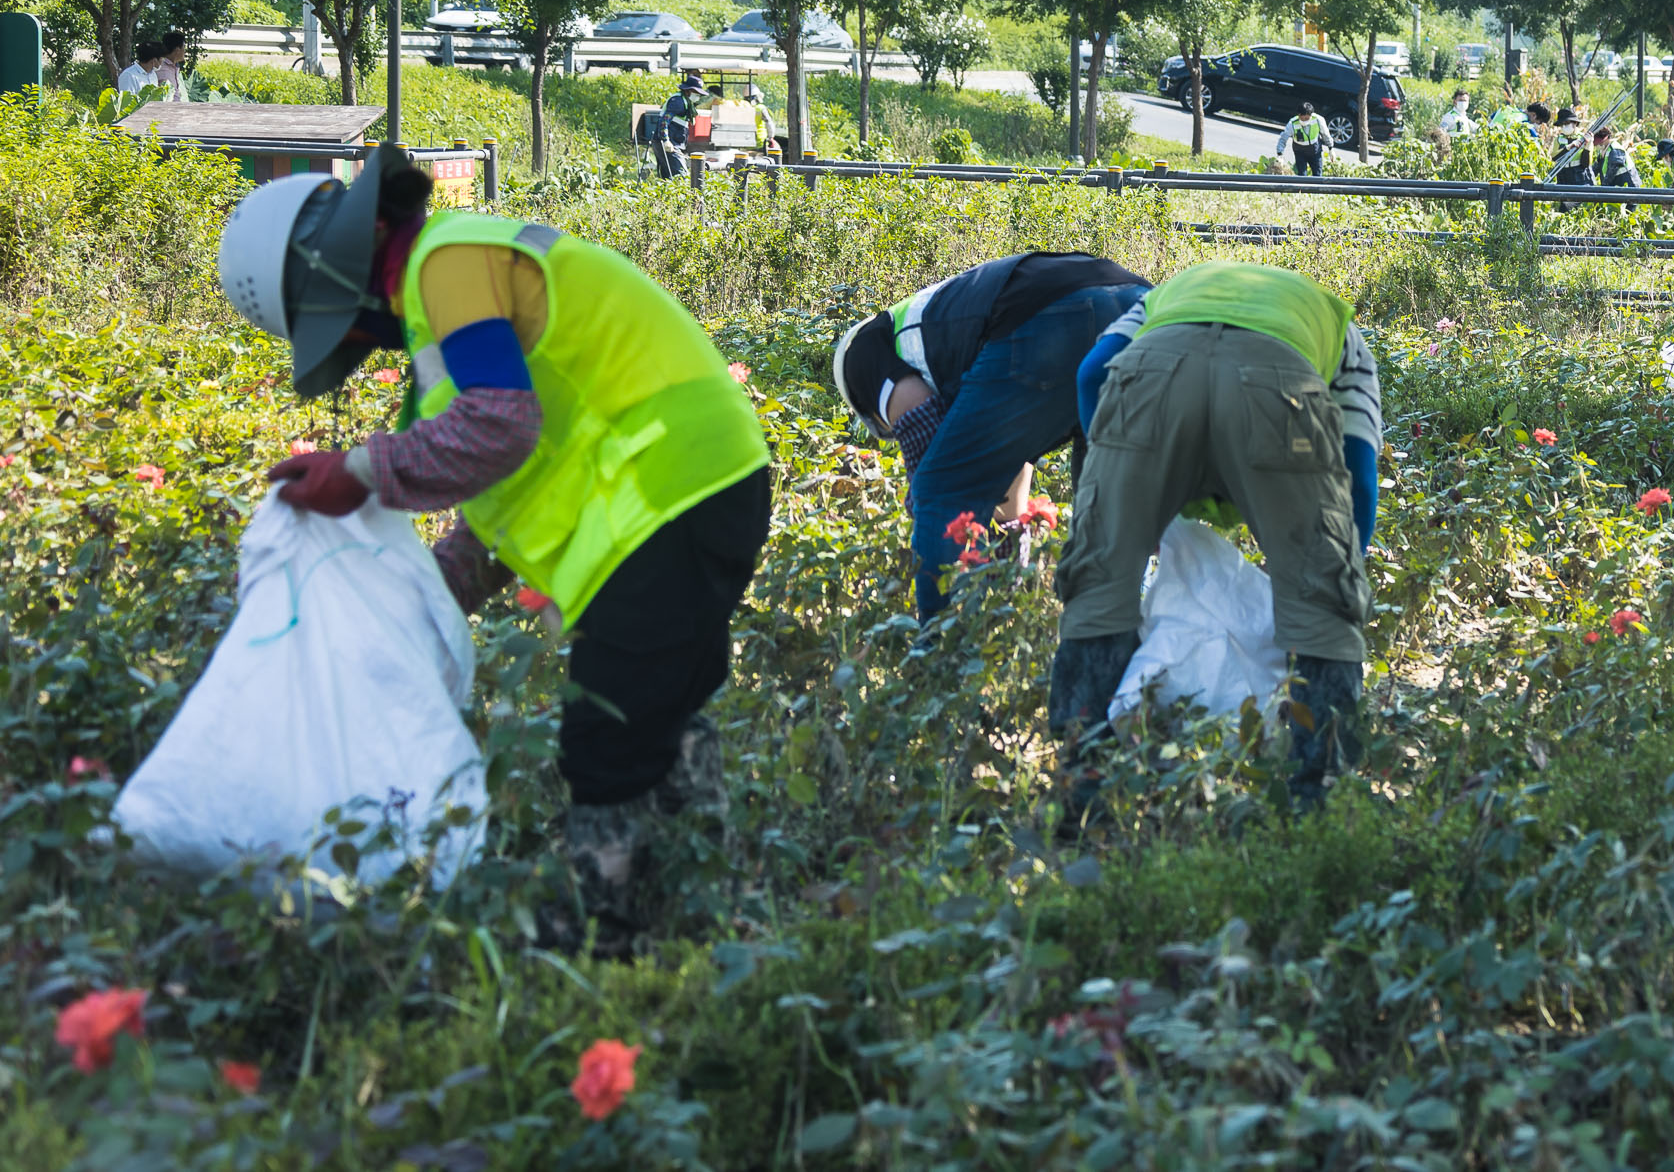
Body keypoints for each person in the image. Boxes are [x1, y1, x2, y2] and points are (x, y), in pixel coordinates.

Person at [220, 147, 771, 938]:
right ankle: (713, 918)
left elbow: (497, 427)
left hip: (672, 489)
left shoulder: (448, 263)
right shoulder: (435, 317)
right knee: (662, 719)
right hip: (691, 490)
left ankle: (597, 942)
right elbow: (504, 484)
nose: (349, 334)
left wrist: (359, 469)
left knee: (605, 735)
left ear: (359, 241)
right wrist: (418, 602)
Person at [1056, 261, 1381, 810]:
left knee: (1099, 594)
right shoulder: (1341, 332)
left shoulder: (1167, 295)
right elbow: (1358, 472)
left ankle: (1083, 799)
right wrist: (1338, 566)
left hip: (1150, 374)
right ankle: (1317, 808)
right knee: (1323, 610)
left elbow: (1092, 374)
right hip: (1279, 384)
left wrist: (1121, 484)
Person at [833, 253, 1150, 625]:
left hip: (1051, 317)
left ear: (869, 411)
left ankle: (942, 655)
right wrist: (1006, 566)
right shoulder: (949, 327)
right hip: (1139, 306)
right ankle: (1114, 640)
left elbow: (920, 426)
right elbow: (1011, 496)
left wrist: (926, 507)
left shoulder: (860, 356)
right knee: (1106, 501)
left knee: (939, 489)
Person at [1284, 101, 1329, 176]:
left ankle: (1315, 188)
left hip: (1315, 152)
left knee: (1318, 175)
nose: (1305, 120)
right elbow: (1284, 137)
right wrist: (1280, 152)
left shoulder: (1318, 119)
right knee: (1302, 175)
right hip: (1300, 152)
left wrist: (1330, 148)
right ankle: (1301, 188)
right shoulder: (1292, 123)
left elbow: (1325, 134)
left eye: (1307, 118)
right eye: (1303, 118)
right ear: (1299, 115)